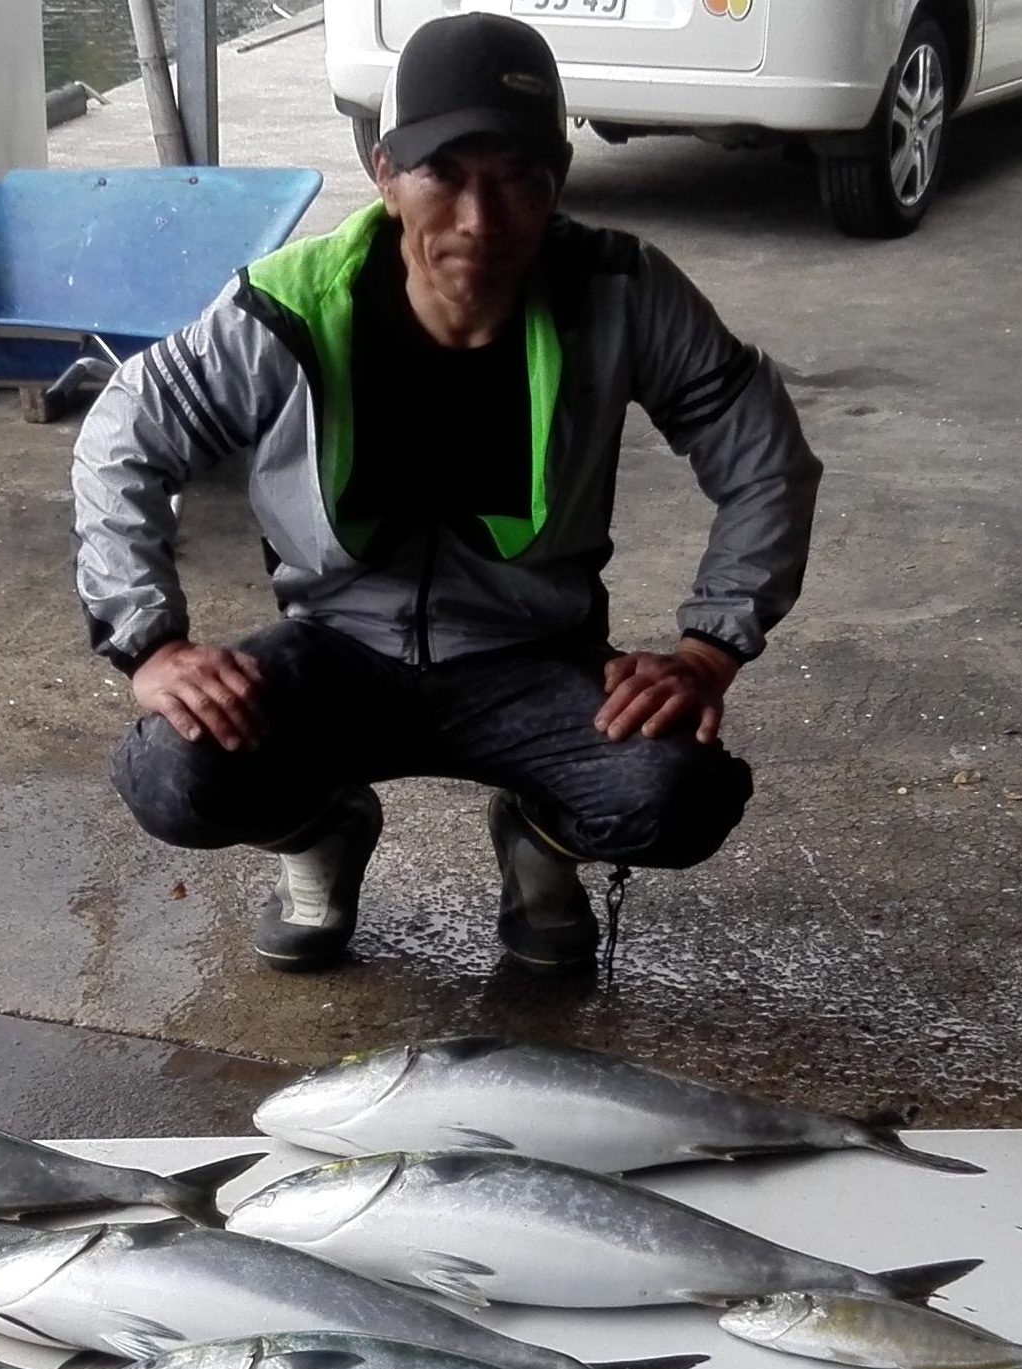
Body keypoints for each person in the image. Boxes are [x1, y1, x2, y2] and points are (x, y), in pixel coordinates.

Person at [72, 13, 820, 974]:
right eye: (444, 174)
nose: (481, 217)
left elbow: (765, 457)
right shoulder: (284, 306)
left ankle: (541, 846)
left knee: (676, 788)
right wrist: (152, 642)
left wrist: (707, 652)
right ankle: (319, 831)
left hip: (533, 657)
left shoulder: (622, 290)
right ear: (384, 172)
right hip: (334, 650)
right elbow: (121, 436)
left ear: (556, 182)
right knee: (174, 772)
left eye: (517, 177)